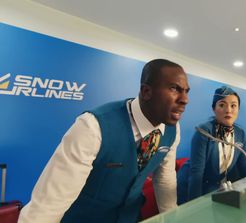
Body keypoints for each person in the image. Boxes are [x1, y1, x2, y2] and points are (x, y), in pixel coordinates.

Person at [18, 59, 190, 223]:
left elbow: (164, 178)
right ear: (146, 92)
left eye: (186, 91)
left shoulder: (172, 130)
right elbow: (49, 204)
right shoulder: (93, 126)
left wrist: (171, 218)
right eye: (175, 89)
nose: (184, 99)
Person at [176, 86, 246, 204]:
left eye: (233, 105)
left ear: (238, 109)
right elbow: (196, 174)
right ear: (214, 109)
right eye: (222, 105)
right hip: (191, 186)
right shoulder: (204, 131)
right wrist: (194, 207)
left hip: (215, 186)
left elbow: (244, 167)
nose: (228, 110)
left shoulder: (240, 133)